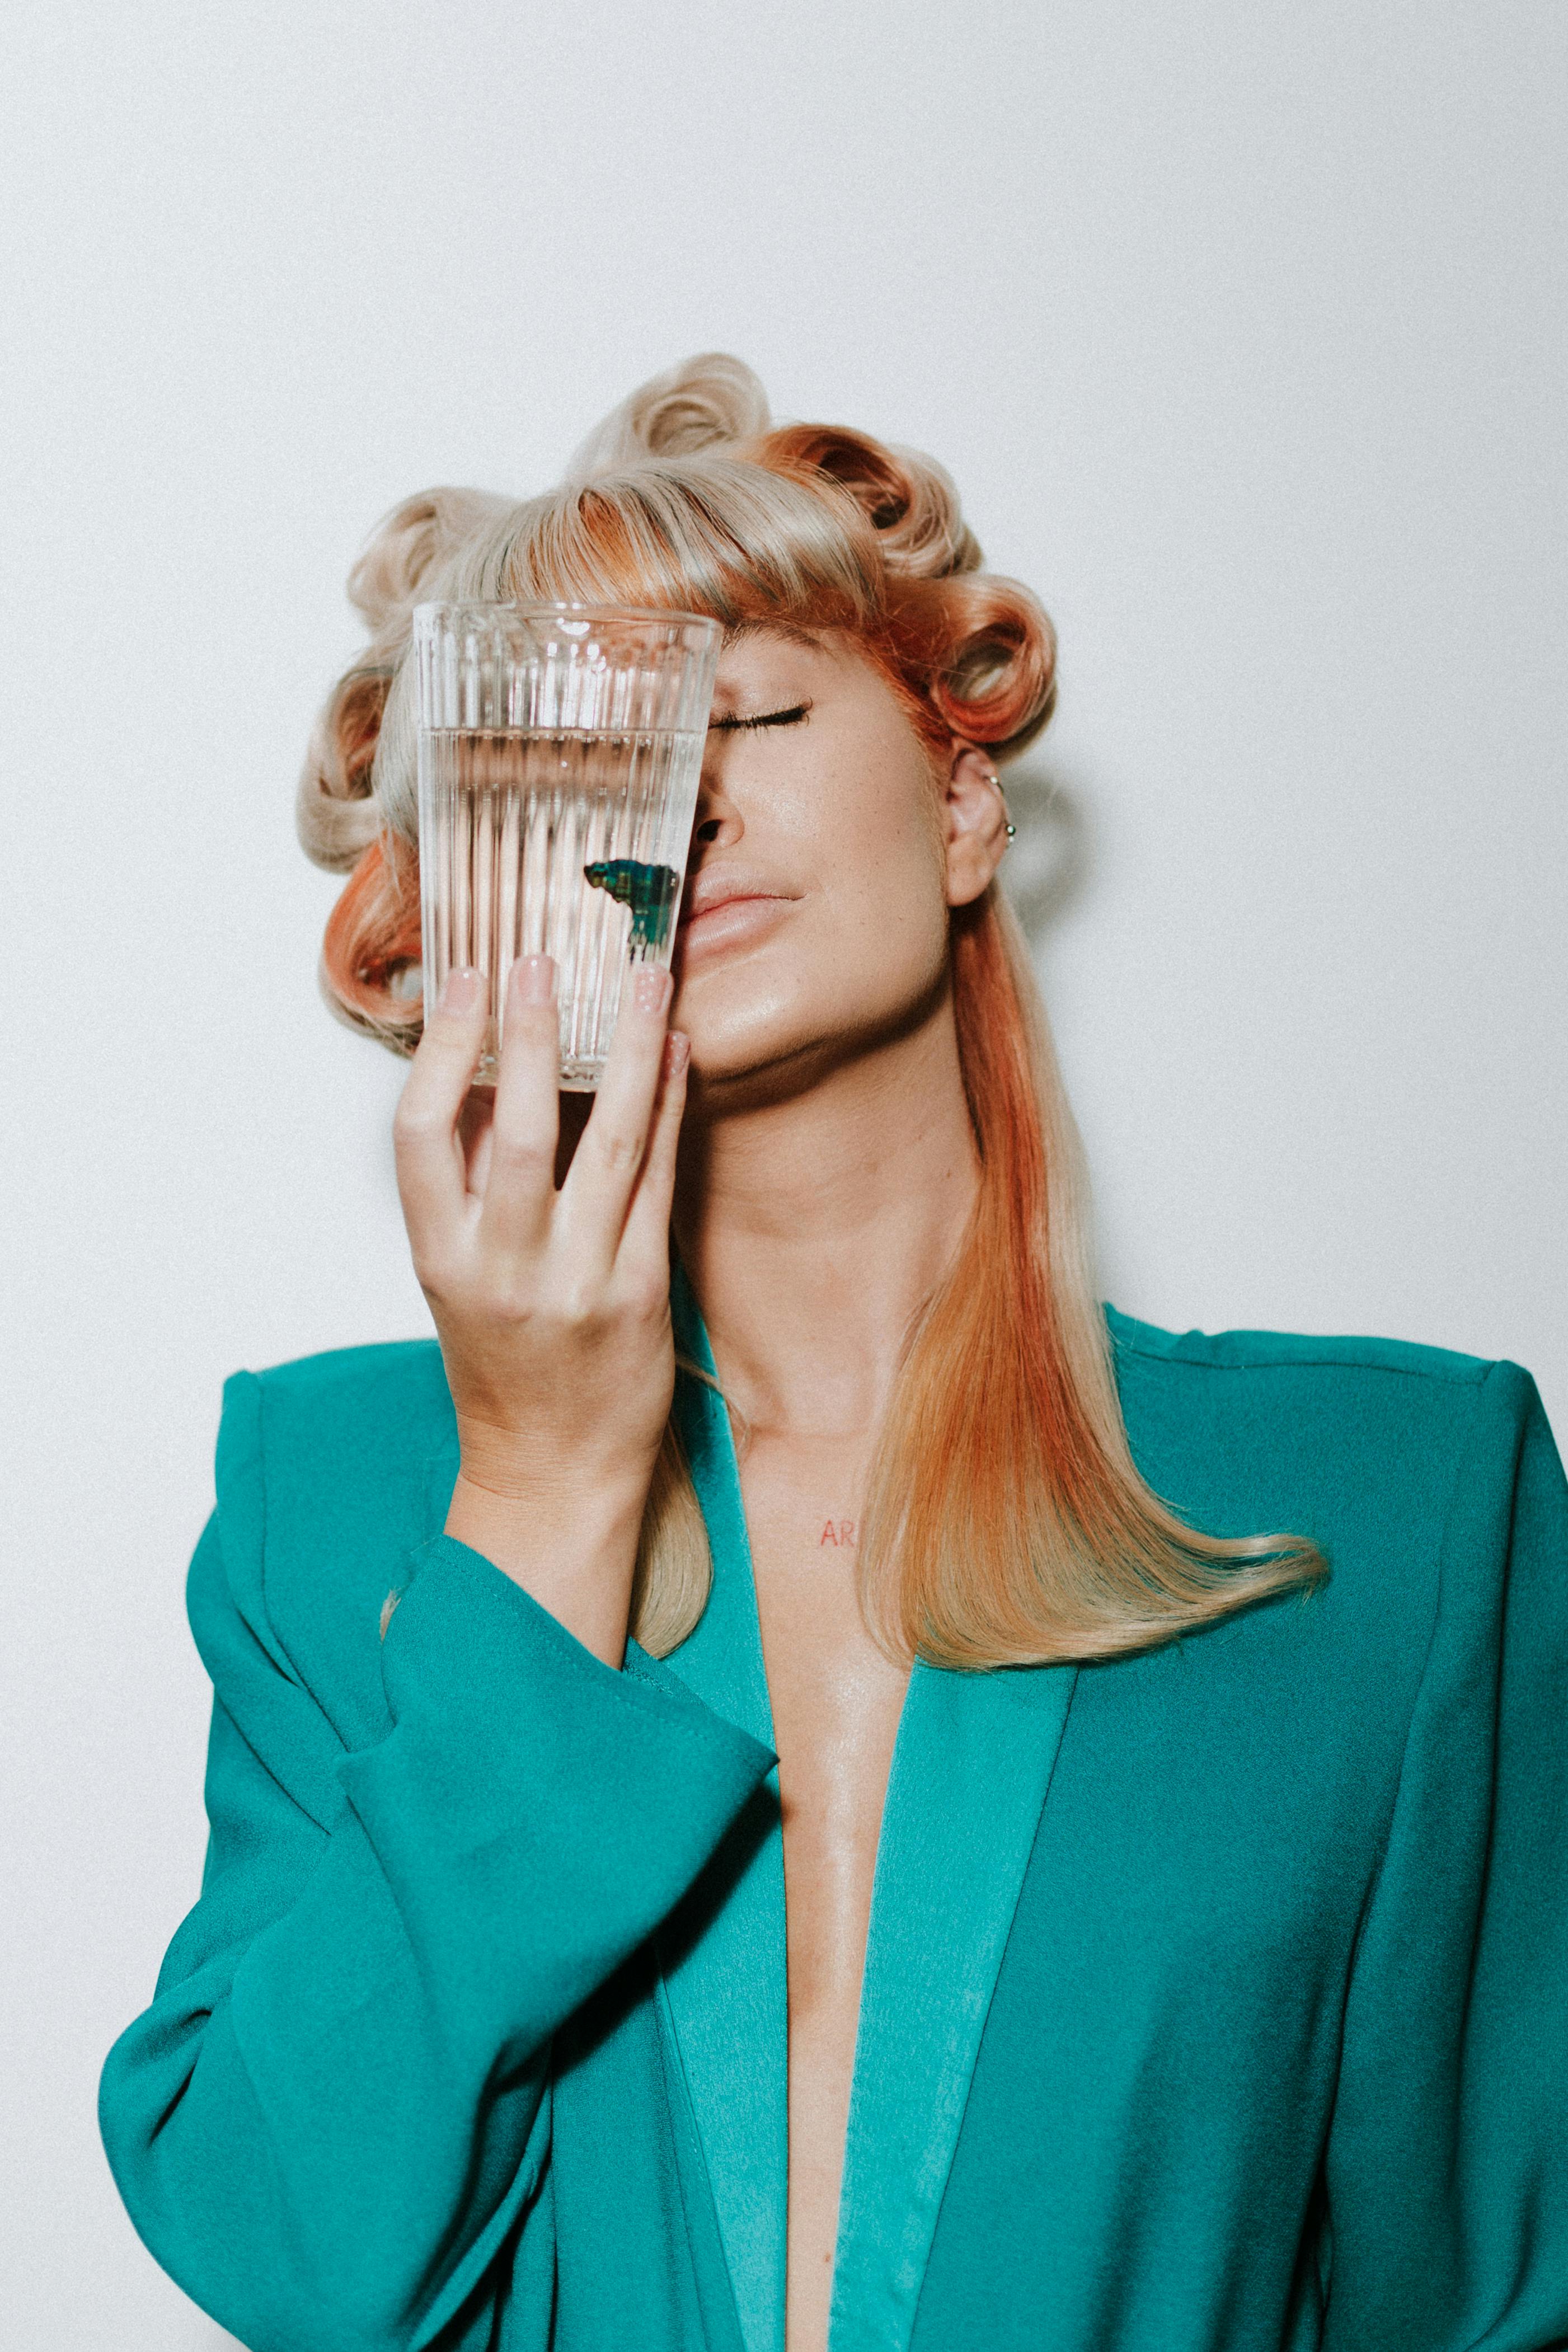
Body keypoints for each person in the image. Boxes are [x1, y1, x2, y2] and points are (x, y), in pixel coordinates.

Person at [99, 355, 1568, 2352]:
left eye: (752, 715)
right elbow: (290, 2246)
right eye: (580, 766)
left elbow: (1491, 2300)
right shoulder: (338, 1501)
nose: (683, 801)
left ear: (963, 799)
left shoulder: (1399, 1508)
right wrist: (537, 1494)